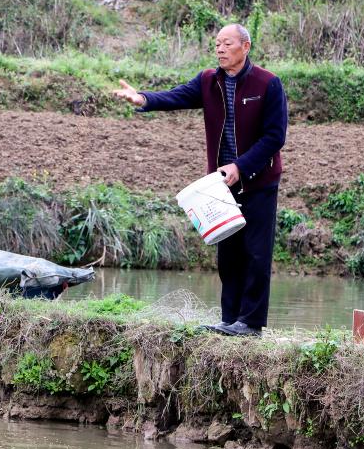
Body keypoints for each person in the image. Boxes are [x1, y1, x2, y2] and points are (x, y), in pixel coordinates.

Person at [113, 24, 287, 337]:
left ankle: (250, 323)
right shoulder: (209, 81)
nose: (220, 49)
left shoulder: (267, 83)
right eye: (217, 43)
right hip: (222, 183)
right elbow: (177, 96)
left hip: (258, 181)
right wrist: (142, 98)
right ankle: (229, 318)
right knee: (228, 251)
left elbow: (275, 136)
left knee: (256, 253)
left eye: (227, 43)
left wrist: (241, 165)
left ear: (245, 47)